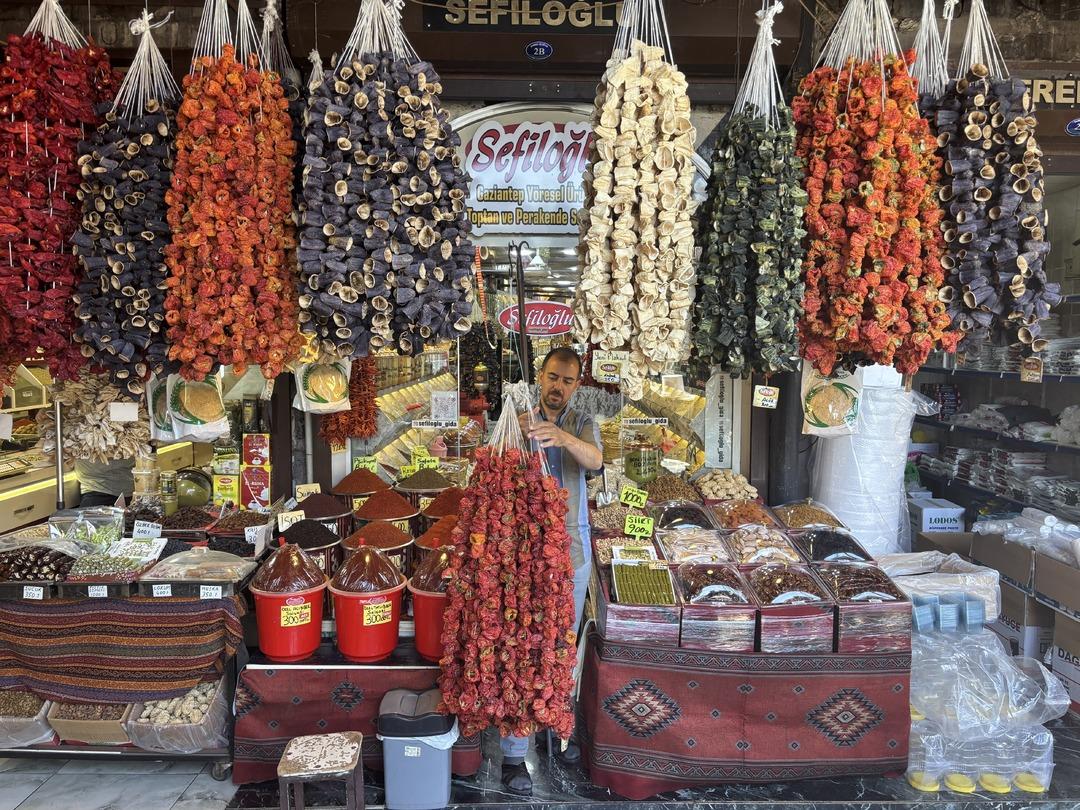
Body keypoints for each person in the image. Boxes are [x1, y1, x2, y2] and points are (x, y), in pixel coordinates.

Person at [502, 346, 603, 794]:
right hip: (522, 551)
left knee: (561, 642)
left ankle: (558, 730)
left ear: (575, 385)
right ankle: (510, 753)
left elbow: (596, 460)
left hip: (571, 551)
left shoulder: (581, 423)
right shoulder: (519, 419)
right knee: (519, 643)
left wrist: (560, 438)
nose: (558, 387)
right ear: (539, 378)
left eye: (566, 380)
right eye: (552, 377)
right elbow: (493, 464)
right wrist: (518, 432)